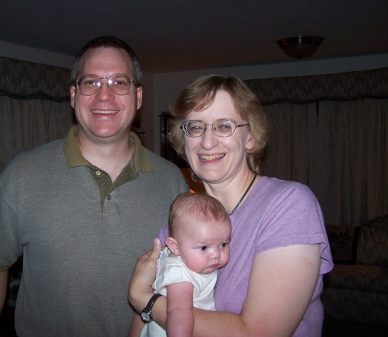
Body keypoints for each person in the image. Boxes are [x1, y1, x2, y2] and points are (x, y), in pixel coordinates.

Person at [0, 36, 189, 337]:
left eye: (119, 82)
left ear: (137, 97)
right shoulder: (22, 175)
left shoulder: (172, 180)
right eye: (91, 83)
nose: (104, 96)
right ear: (73, 94)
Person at [128, 74, 334, 337]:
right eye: (196, 127)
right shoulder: (179, 224)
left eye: (224, 126)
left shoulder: (289, 205)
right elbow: (140, 328)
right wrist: (145, 303)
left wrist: (144, 299)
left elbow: (259, 333)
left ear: (250, 137)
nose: (207, 141)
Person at [130, 192, 232, 337]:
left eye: (223, 244)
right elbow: (178, 311)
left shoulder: (187, 257)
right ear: (175, 246)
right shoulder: (180, 275)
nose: (216, 254)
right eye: (204, 247)